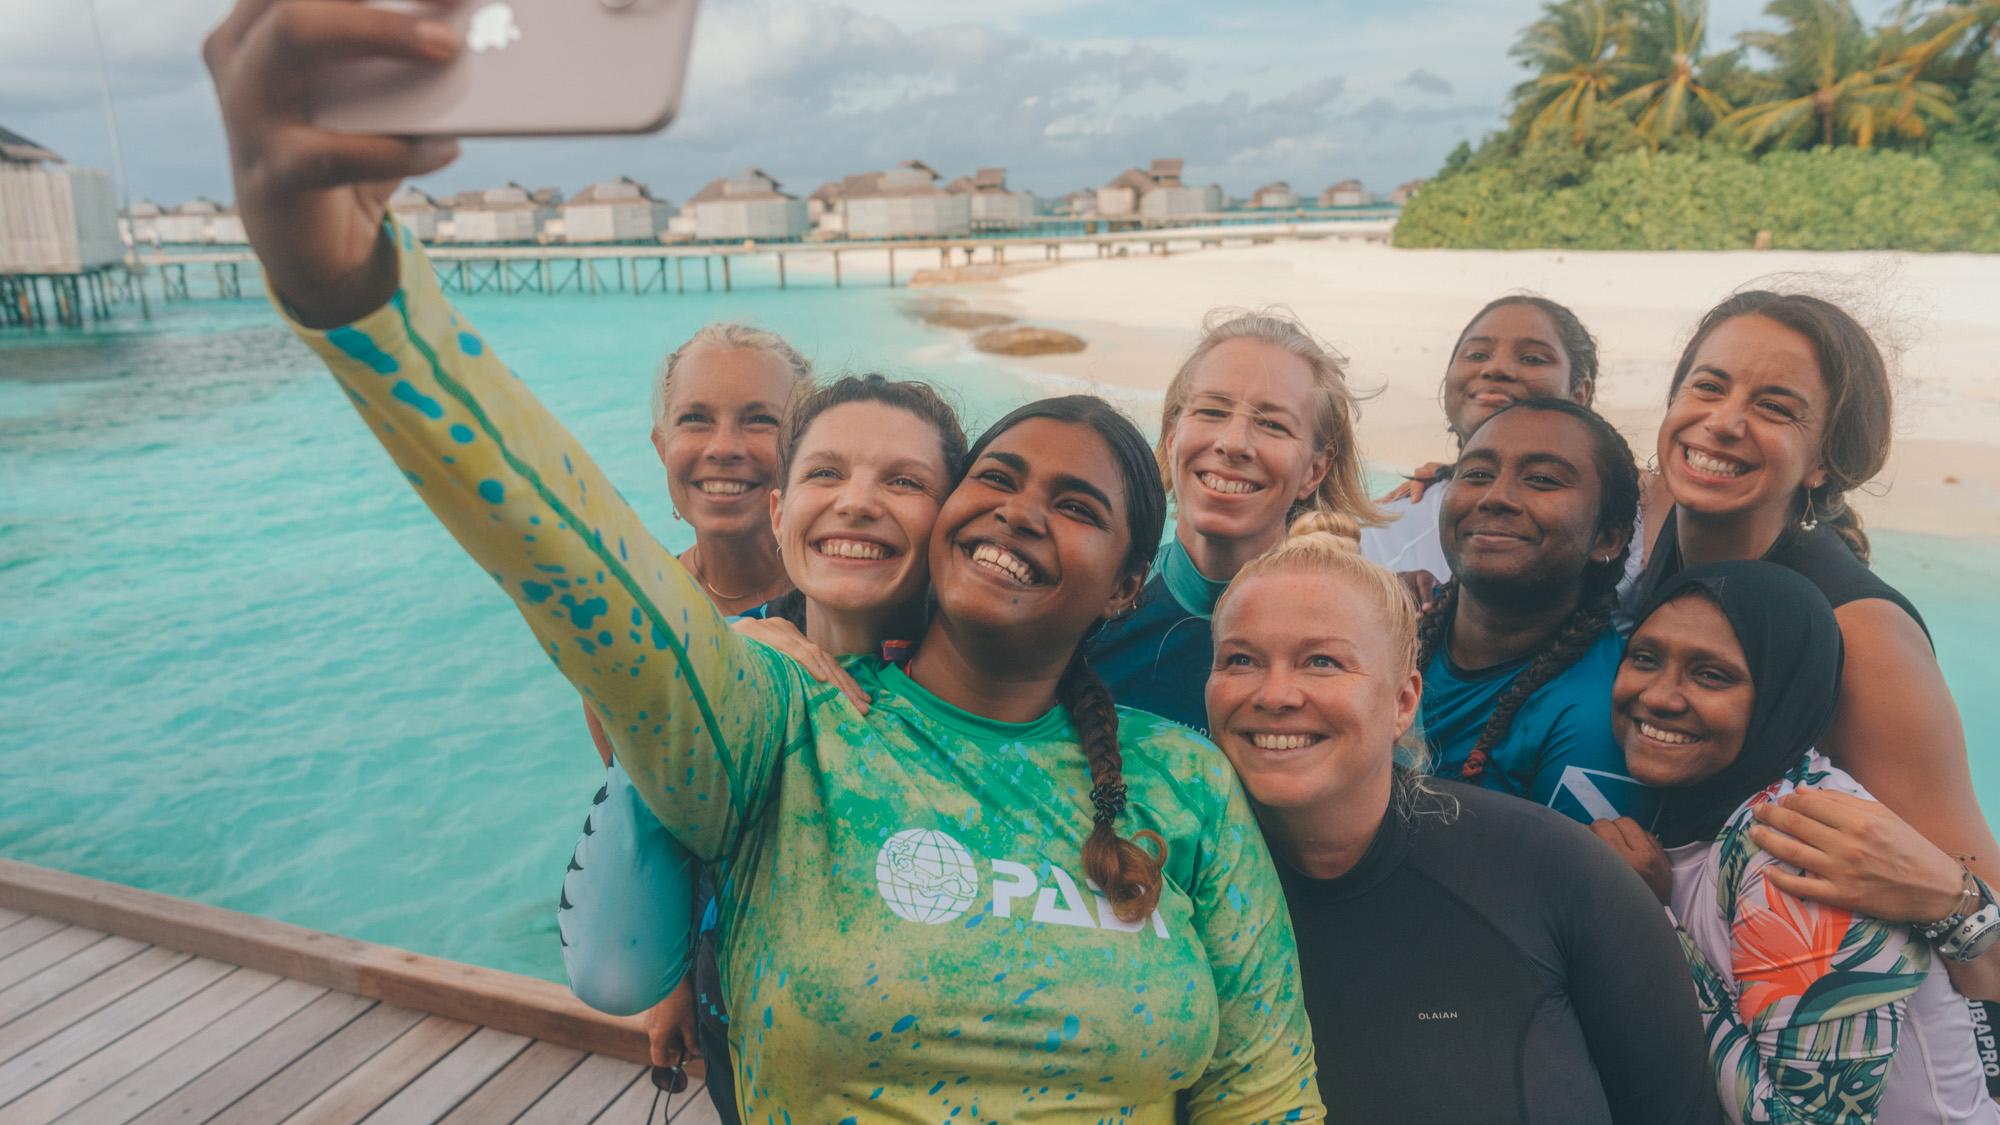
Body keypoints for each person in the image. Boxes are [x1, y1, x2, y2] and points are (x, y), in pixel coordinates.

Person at [203, 9, 1324, 1105]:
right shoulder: (778, 721)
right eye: (996, 478)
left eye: (1074, 504)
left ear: (1128, 583)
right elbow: (557, 542)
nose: (1021, 513)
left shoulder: (1184, 783)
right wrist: (357, 296)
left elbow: (1262, 1090)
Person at [1204, 515, 1719, 1123]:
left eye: (1321, 662)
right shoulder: (1174, 891)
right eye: (1241, 660)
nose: (1275, 694)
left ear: (1403, 701)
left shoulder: (1559, 872)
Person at [559, 374, 967, 1118]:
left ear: (952, 523)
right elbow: (612, 968)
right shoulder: (723, 670)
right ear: (779, 512)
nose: (856, 501)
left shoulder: (985, 687)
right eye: (825, 472)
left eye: (904, 481)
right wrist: (714, 662)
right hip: (745, 1034)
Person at [1629, 291, 2000, 1001]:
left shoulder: (1862, 636)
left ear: (1823, 462)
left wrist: (1949, 899)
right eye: (1707, 386)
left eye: (1774, 407)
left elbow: (1988, 928)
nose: (1723, 421)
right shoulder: (1651, 515)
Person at [1594, 561, 1998, 1123]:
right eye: (1645, 658)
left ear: (1782, 695)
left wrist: (1648, 921)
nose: (1659, 696)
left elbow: (1802, 1119)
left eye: (1711, 675)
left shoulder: (1798, 845)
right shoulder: (1701, 806)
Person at [1089, 309, 1381, 734]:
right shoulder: (1094, 603)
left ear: (1314, 470)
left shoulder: (1358, 631)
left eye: (1272, 424)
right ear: (1172, 437)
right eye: (1211, 411)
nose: (1233, 443)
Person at [1413, 398, 1656, 824]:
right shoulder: (1390, 630)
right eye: (1476, 474)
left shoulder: (1600, 715)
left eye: (1542, 480)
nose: (1495, 497)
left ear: (1608, 538)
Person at [1362, 295, 1602, 582]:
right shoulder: (1383, 532)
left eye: (1532, 359)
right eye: (1476, 355)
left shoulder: (1630, 523)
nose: (1496, 368)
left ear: (1579, 392)